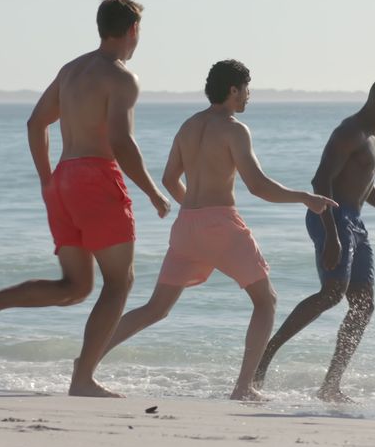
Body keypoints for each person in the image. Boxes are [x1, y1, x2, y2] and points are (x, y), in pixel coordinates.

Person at [0, 0, 170, 397]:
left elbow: (36, 122)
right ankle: (83, 378)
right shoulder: (122, 77)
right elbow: (122, 142)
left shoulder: (72, 70)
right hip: (95, 178)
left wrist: (46, 179)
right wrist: (153, 191)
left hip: (64, 179)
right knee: (118, 283)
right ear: (133, 30)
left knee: (75, 287)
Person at [97, 60, 336, 401]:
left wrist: (192, 209)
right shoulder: (235, 129)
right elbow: (257, 185)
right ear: (233, 90)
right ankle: (243, 388)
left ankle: (87, 361)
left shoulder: (188, 126)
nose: (249, 96)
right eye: (247, 89)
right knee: (265, 302)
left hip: (186, 227)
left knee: (155, 308)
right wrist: (304, 198)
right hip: (221, 226)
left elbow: (168, 180)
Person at [253, 74, 375, 403]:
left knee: (363, 306)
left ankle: (330, 385)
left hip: (355, 221)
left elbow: (365, 185)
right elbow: (321, 180)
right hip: (331, 215)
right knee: (332, 293)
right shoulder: (349, 132)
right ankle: (262, 360)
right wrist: (332, 235)